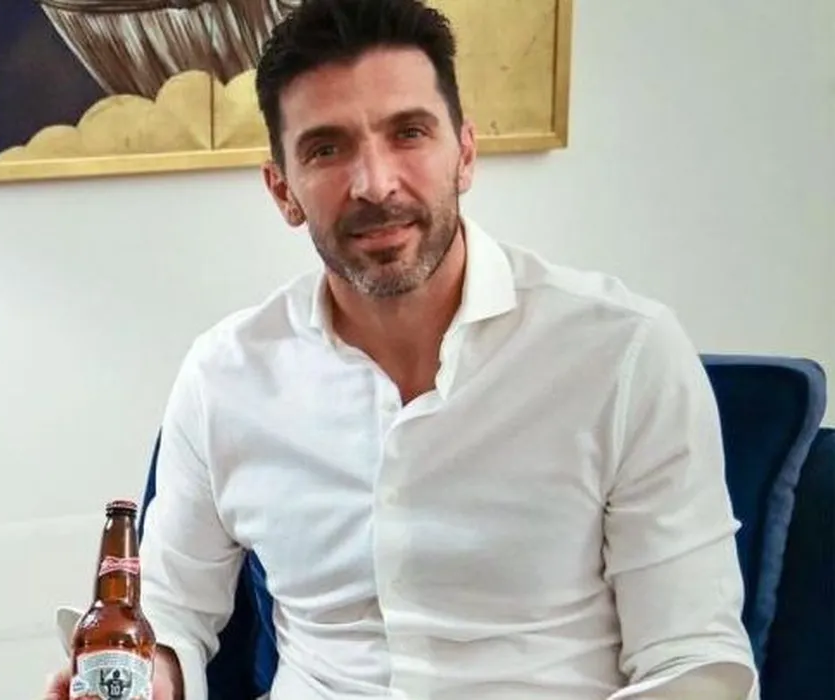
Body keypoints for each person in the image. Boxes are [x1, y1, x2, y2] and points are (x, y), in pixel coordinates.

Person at [43, 0, 759, 698]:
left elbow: (694, 661)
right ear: (282, 190)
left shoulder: (624, 352)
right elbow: (168, 609)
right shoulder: (225, 375)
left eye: (408, 133)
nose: (375, 183)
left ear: (464, 154)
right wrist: (149, 678)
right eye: (326, 149)